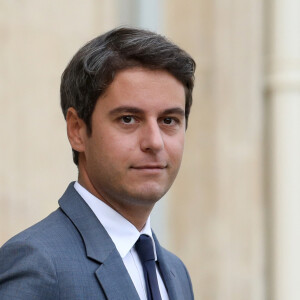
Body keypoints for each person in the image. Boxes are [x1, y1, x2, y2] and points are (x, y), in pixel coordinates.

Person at [0, 27, 195, 300]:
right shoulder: (38, 263)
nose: (155, 142)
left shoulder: (175, 272)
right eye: (128, 118)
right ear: (77, 130)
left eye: (168, 120)